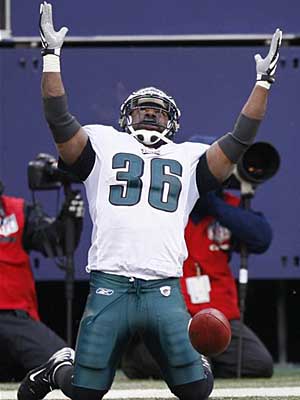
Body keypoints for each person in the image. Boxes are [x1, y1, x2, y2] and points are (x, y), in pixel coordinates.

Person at [17, 2, 282, 400]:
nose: (150, 116)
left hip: (163, 287)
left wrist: (263, 83)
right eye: (143, 110)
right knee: (85, 392)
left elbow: (239, 140)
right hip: (111, 283)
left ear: (172, 122)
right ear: (127, 117)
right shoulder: (103, 142)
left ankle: (193, 365)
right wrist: (51, 58)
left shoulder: (188, 156)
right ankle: (60, 367)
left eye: (158, 112)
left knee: (197, 390)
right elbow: (58, 120)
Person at [121, 188, 274, 380]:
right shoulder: (162, 203)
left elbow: (262, 238)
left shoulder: (226, 203)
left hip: (219, 314)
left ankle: (202, 364)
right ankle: (140, 358)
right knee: (192, 363)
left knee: (258, 364)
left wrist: (214, 205)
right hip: (174, 313)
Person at [0, 178, 84, 382]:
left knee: (66, 364)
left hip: (15, 318)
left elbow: (56, 244)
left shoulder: (18, 211)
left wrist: (69, 218)